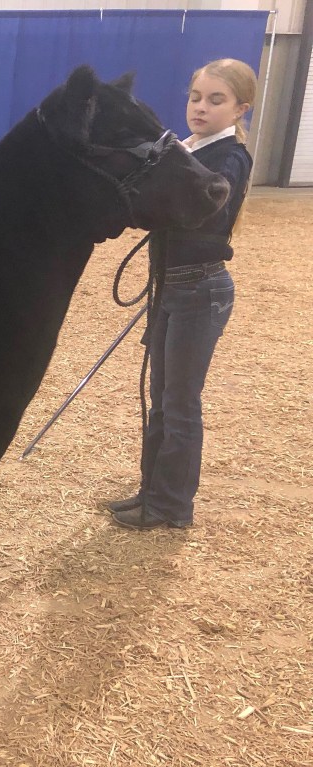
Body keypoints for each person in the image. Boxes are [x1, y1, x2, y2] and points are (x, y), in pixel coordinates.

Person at [109, 58, 257, 530]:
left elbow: (205, 212)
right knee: (162, 398)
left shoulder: (228, 156)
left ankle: (172, 505)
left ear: (240, 109)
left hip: (200, 289)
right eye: (196, 97)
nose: (201, 107)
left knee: (180, 403)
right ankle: (152, 492)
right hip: (171, 287)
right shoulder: (185, 148)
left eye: (216, 100)